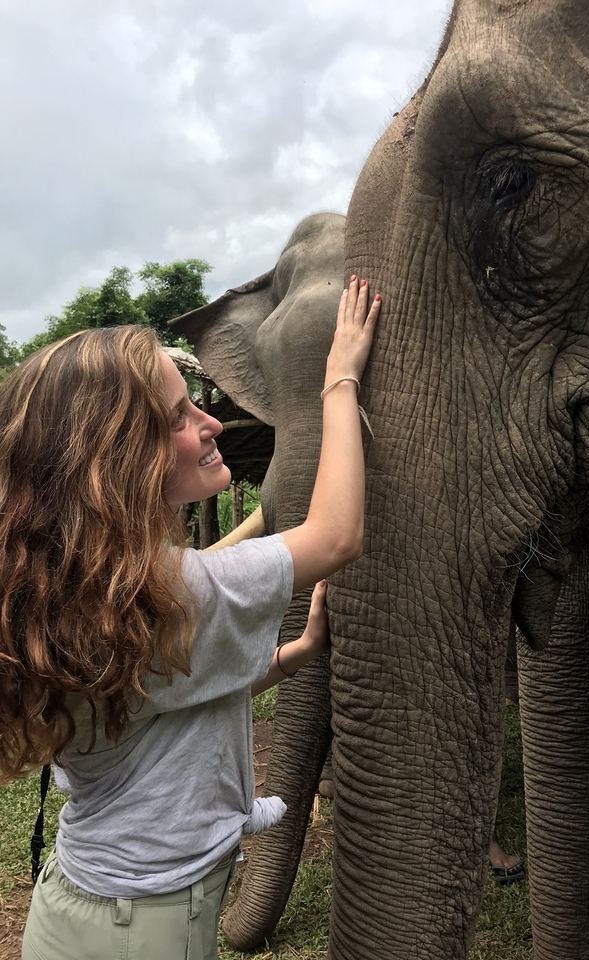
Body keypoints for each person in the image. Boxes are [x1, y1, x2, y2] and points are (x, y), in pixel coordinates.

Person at [0, 275, 380, 960]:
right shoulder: (181, 585)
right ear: (116, 460)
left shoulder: (80, 595)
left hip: (79, 903)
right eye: (178, 417)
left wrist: (289, 657)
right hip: (146, 929)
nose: (211, 425)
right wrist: (340, 377)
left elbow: (153, 698)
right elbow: (336, 535)